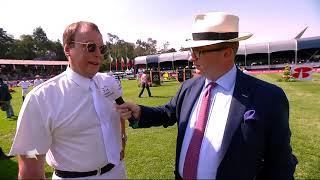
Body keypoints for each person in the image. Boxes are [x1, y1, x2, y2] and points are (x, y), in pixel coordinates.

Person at [116, 12, 298, 179]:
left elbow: (281, 165)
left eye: (198, 51)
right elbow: (168, 112)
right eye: (191, 51)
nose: (191, 58)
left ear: (226, 53)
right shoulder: (189, 86)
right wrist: (140, 112)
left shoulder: (269, 97)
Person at [9, 21, 127, 179]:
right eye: (90, 46)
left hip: (117, 173)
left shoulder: (109, 82)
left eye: (102, 48)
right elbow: (30, 162)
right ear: (67, 49)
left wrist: (123, 138)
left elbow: (120, 113)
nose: (99, 54)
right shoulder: (41, 98)